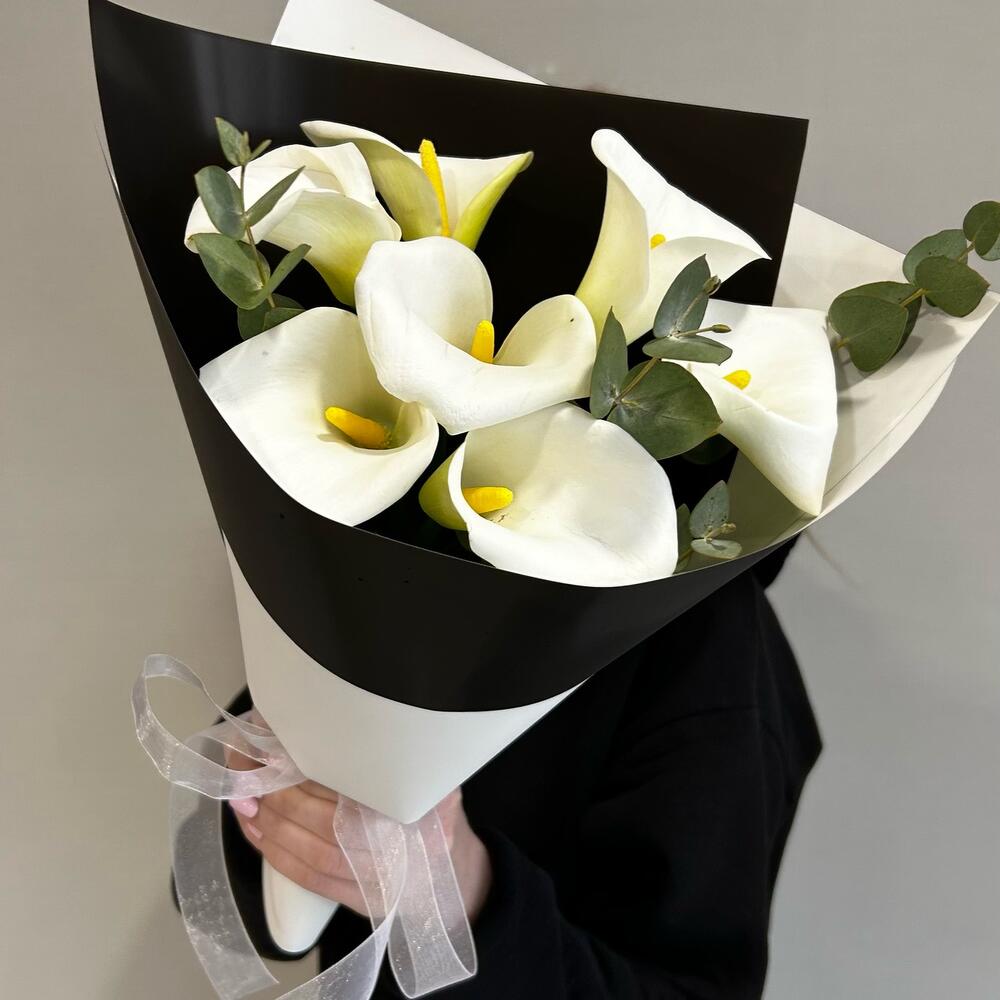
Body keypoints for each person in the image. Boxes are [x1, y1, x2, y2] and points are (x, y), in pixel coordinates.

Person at [218, 543, 820, 999]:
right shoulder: (431, 551)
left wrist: (463, 900)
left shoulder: (711, 654)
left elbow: (691, 983)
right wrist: (266, 803)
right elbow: (248, 916)